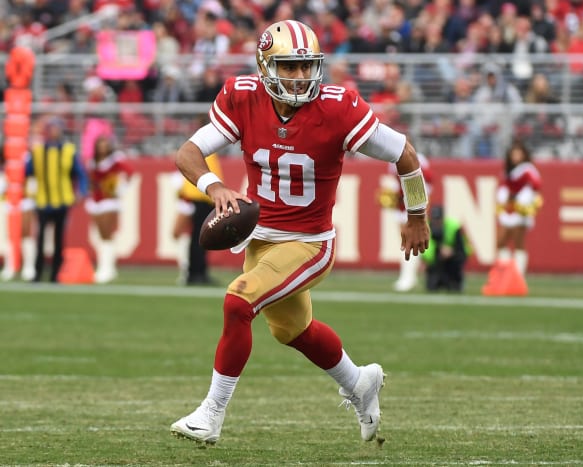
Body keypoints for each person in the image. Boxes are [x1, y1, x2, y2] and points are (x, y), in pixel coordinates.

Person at [169, 20, 430, 446]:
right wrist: (214, 187)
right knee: (292, 331)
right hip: (261, 236)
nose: (300, 77)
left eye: (306, 67)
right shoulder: (244, 97)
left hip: (308, 243)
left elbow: (405, 153)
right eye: (289, 67)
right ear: (265, 66)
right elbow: (189, 152)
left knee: (238, 301)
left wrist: (417, 214)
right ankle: (360, 381)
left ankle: (210, 415)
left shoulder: (337, 107)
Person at [25, 117, 88, 283]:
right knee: (40, 239)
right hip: (42, 200)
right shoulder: (37, 151)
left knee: (59, 240)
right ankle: (37, 273)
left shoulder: (68, 150)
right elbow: (28, 171)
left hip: (62, 200)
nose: (54, 132)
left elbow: (80, 174)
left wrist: (81, 191)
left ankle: (55, 274)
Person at [377, 151, 433, 292]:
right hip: (402, 204)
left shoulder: (418, 158)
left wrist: (422, 204)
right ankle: (408, 276)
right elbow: (397, 182)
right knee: (404, 240)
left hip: (414, 201)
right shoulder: (391, 158)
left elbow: (428, 181)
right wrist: (393, 196)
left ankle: (409, 277)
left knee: (412, 238)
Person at [85, 134, 134, 284]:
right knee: (101, 235)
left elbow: (129, 172)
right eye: (100, 144)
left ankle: (106, 268)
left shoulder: (115, 159)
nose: (103, 147)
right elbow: (91, 181)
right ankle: (107, 267)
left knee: (107, 234)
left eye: (105, 144)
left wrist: (120, 187)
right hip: (96, 201)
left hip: (110, 201)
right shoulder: (93, 162)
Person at [495, 139, 542, 276]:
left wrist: (524, 200)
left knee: (518, 242)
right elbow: (504, 188)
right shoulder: (508, 171)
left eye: (518, 154)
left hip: (520, 211)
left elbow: (536, 186)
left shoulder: (528, 169)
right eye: (513, 154)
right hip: (508, 210)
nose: (515, 157)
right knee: (501, 242)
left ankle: (518, 274)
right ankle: (507, 271)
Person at [178, 149, 225, 286]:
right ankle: (196, 273)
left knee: (199, 237)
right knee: (199, 237)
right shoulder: (203, 149)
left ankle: (198, 271)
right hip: (201, 198)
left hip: (202, 197)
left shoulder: (201, 148)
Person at [0, 152, 38, 282]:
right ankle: (9, 265)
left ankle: (29, 266)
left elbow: (32, 175)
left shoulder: (26, 157)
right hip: (6, 202)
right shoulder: (6, 162)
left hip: (23, 200)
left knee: (26, 234)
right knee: (7, 236)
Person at [421, 205, 470, 292]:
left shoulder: (453, 227)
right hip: (435, 262)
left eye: (439, 220)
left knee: (454, 287)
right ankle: (438, 280)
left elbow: (464, 250)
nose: (437, 222)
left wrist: (452, 251)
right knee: (431, 286)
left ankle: (454, 281)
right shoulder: (426, 228)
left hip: (451, 263)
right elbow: (425, 251)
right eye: (435, 220)